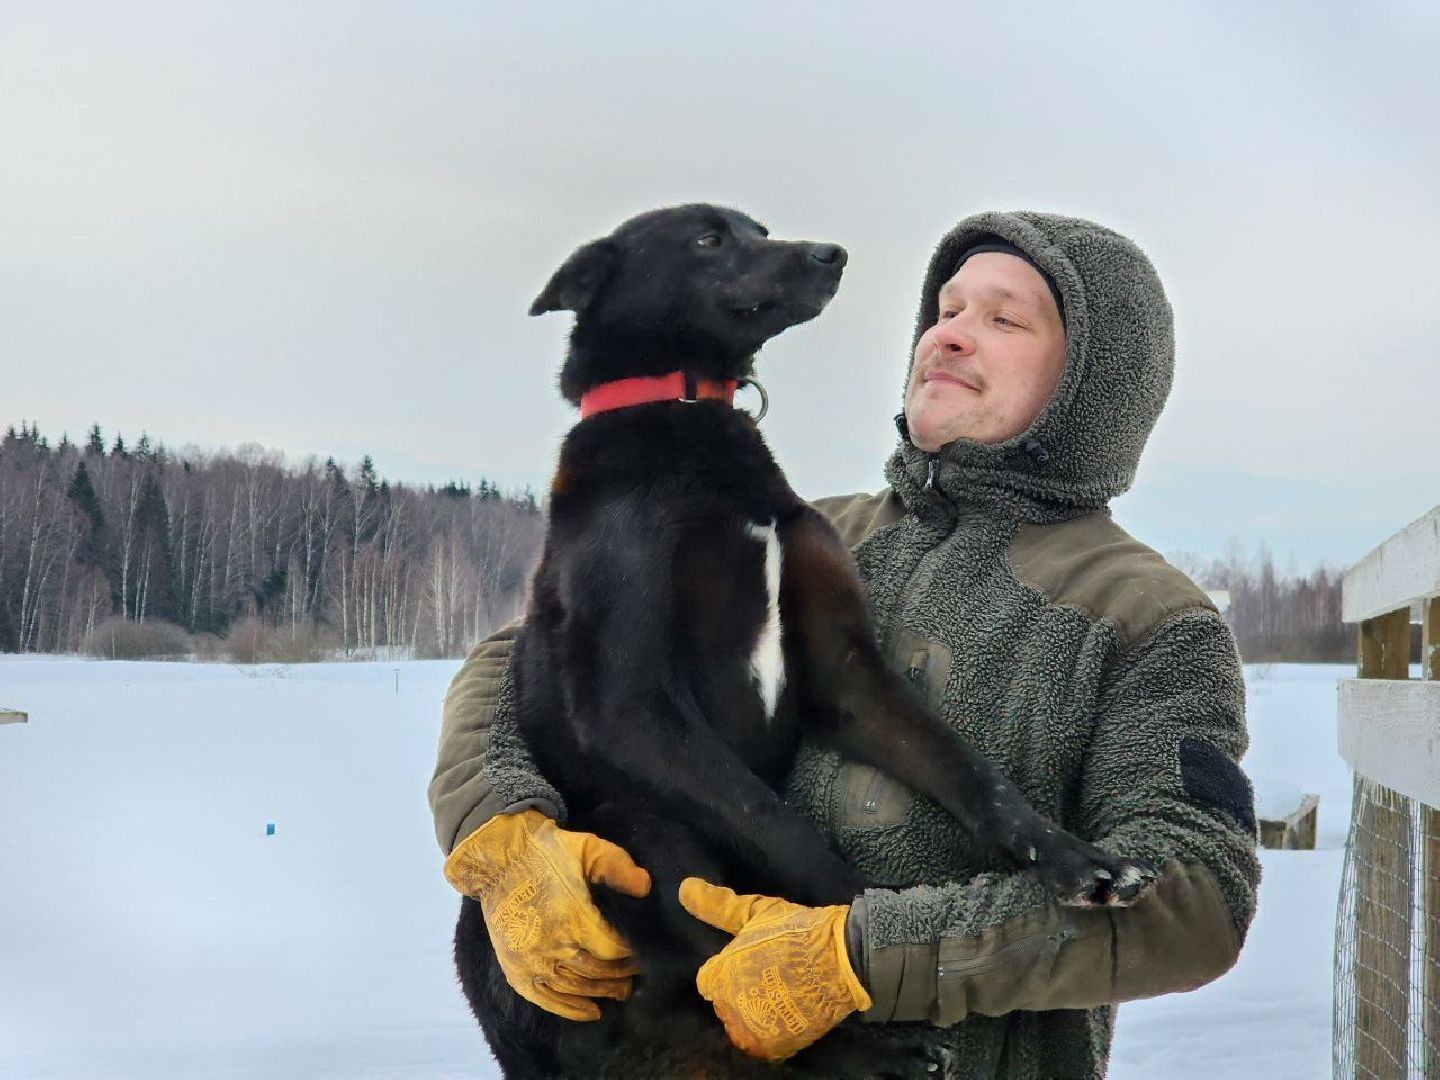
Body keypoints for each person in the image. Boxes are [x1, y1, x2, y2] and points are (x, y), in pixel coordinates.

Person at [429, 210, 1260, 1078]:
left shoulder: (1144, 616)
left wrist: (863, 953)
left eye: (1004, 319)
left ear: (1094, 379)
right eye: (946, 309)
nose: (950, 335)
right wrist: (502, 831)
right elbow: (523, 658)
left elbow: (1195, 896)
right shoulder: (818, 530)